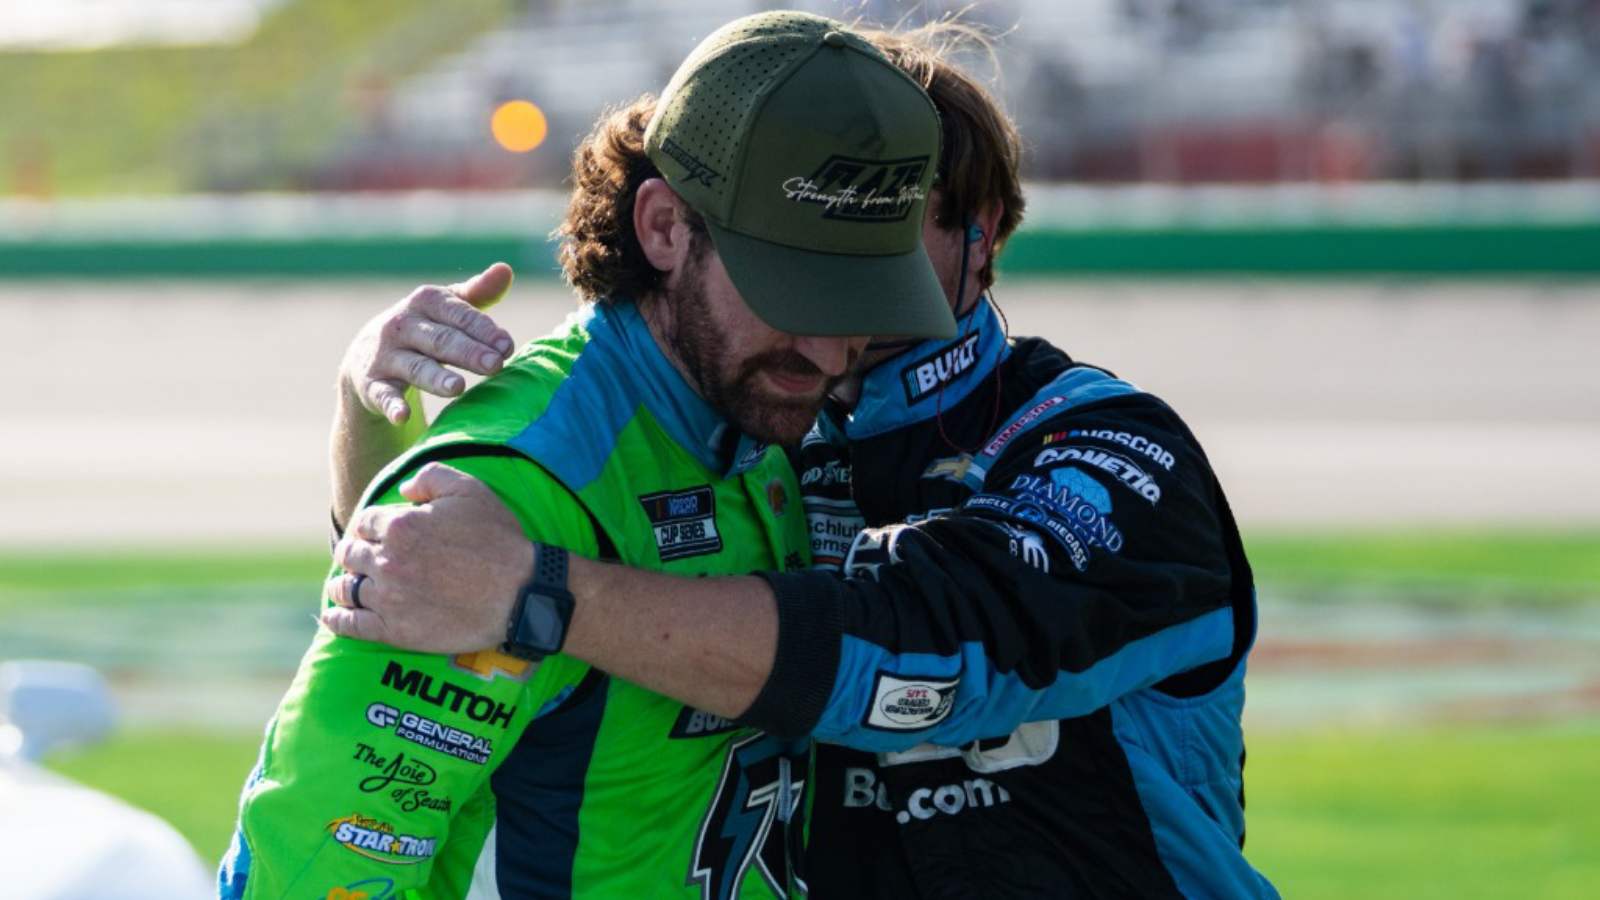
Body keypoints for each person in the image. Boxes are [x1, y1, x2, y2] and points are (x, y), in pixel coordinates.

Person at [320, 23, 1277, 900]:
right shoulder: (757, 430)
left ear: (982, 232)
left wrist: (544, 596)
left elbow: (928, 648)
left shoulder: (1104, 447)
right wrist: (374, 412)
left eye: (895, 216)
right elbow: (427, 572)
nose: (850, 265)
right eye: (821, 221)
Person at [220, 12, 955, 898]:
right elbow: (306, 876)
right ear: (664, 228)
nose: (836, 352)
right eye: (794, 289)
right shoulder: (504, 499)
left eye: (863, 295)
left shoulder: (782, 413)